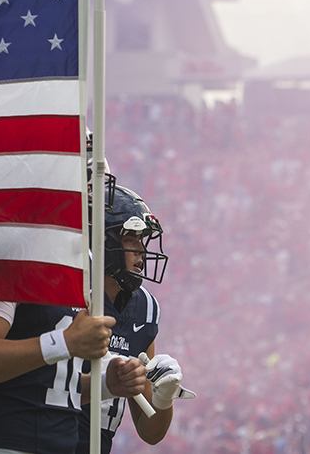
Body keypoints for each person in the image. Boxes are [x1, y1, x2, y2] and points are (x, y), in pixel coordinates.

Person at [0, 183, 152, 454]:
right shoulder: (10, 253)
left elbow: (45, 386)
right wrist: (65, 342)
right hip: (3, 445)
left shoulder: (73, 271)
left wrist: (106, 385)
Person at [76, 184, 193, 454]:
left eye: (142, 240)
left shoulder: (145, 309)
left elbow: (150, 431)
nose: (141, 250)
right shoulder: (73, 294)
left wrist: (164, 399)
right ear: (101, 240)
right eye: (131, 239)